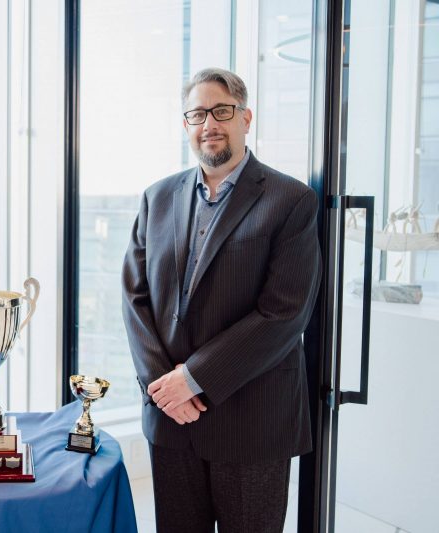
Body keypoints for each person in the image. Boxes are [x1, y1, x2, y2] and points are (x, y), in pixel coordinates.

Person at [121, 68, 321, 532]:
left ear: (245, 118)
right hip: (172, 420)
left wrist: (193, 378)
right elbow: (135, 299)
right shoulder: (157, 197)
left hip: (252, 423)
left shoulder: (291, 200)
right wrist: (163, 388)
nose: (209, 123)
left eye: (221, 111)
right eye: (197, 114)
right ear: (186, 125)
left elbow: (283, 314)